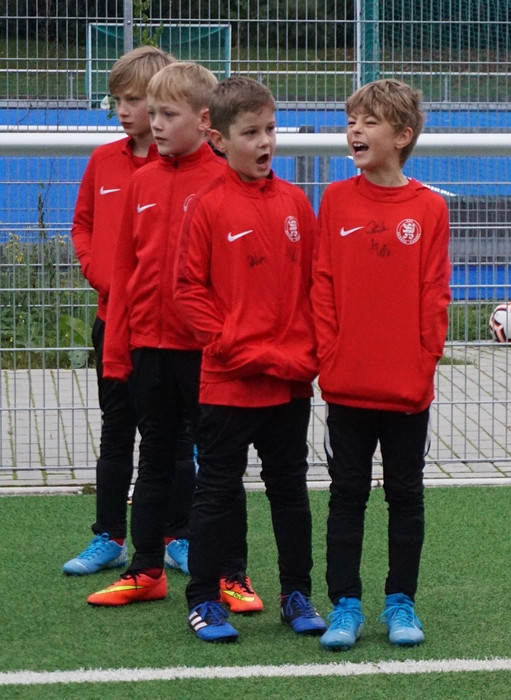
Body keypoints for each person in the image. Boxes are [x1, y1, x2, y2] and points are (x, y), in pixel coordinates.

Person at [86, 62, 246, 607]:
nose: (154, 123)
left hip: (205, 353)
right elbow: (126, 269)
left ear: (204, 121)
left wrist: (227, 341)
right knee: (152, 461)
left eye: (166, 114)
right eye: (150, 112)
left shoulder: (225, 181)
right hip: (147, 350)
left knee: (218, 467)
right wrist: (117, 351)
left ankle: (231, 573)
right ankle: (145, 569)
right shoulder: (142, 182)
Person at [172, 75, 325, 642]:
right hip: (229, 380)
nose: (265, 142)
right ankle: (203, 600)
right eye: (251, 132)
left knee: (290, 490)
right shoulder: (207, 206)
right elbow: (188, 291)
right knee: (216, 490)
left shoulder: (295, 203)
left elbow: (317, 286)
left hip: (288, 382)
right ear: (218, 139)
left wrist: (307, 352)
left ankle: (296, 594)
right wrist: (232, 344)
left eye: (271, 129)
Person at [312, 78, 451, 651]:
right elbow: (322, 283)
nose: (355, 131)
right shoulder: (335, 199)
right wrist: (330, 356)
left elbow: (435, 296)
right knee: (346, 496)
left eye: (369, 122)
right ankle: (345, 604)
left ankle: (400, 601)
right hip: (346, 386)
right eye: (352, 122)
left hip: (406, 390)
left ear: (402, 135)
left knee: (405, 496)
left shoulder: (430, 207)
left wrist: (422, 364)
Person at [65, 45, 197, 577]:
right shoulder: (104, 161)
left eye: (134, 100)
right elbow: (83, 225)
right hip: (114, 322)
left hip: (172, 331)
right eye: (117, 100)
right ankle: (108, 536)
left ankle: (177, 535)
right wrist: (102, 275)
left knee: (177, 436)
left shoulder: (185, 168)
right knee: (116, 427)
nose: (123, 110)